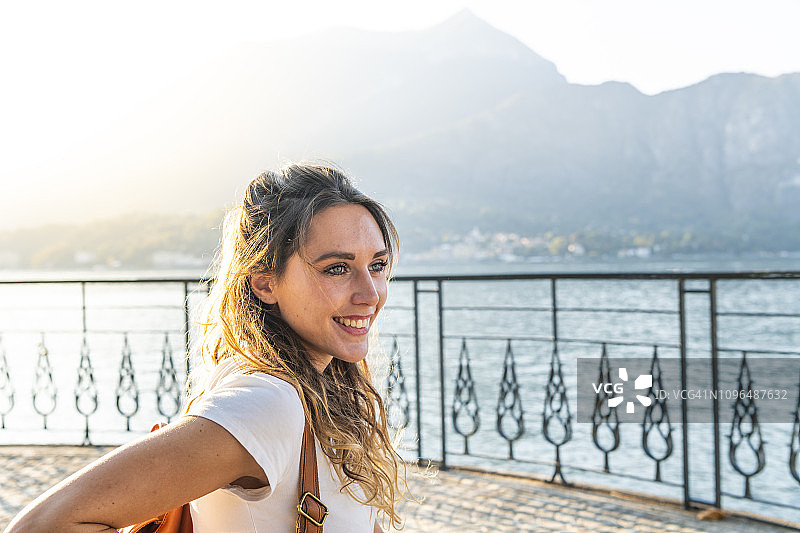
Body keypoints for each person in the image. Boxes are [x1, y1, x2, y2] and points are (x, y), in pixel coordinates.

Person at [5, 163, 406, 532]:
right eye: (336, 268)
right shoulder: (269, 403)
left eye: (377, 265)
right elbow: (40, 525)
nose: (370, 293)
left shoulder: (326, 388)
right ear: (265, 283)